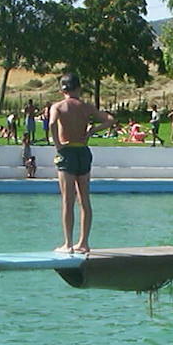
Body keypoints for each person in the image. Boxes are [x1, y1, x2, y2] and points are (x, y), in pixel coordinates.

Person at [48, 73, 115, 255]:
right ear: (78, 88)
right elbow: (110, 120)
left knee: (67, 200)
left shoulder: (59, 106)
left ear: (62, 90)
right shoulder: (86, 107)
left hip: (67, 151)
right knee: (84, 199)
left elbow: (52, 123)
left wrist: (58, 145)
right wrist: (93, 130)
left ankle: (68, 243)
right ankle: (83, 242)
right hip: (83, 152)